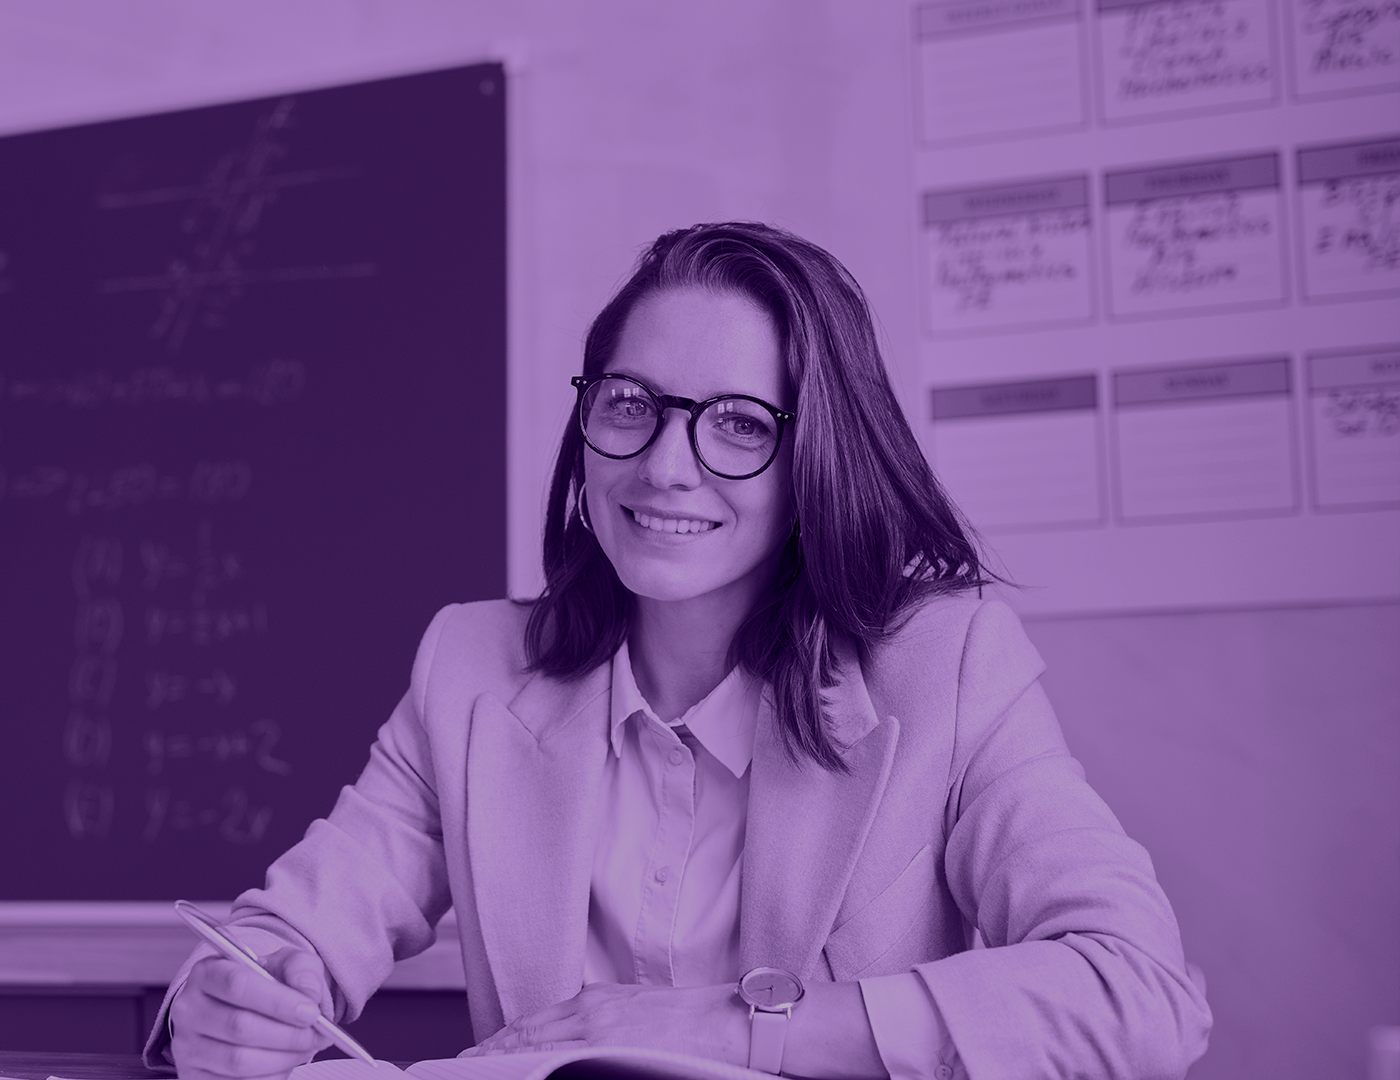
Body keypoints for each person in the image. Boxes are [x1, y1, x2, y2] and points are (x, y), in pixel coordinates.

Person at [144, 222, 1212, 1079]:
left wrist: (731, 1029)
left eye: (740, 424)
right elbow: (288, 936)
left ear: (817, 459)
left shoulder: (948, 664)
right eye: (632, 406)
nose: (665, 467)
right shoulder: (470, 666)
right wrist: (228, 1002)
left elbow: (1139, 998)